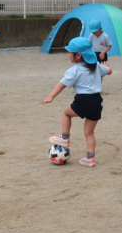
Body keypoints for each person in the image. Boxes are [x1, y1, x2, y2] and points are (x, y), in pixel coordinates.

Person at [43, 37, 111, 167]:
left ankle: (64, 137)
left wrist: (51, 96)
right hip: (97, 102)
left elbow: (62, 84)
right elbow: (109, 72)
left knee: (66, 114)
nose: (68, 54)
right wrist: (106, 67)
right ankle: (90, 158)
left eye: (70, 52)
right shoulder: (96, 66)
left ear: (78, 55)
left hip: (83, 100)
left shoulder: (74, 70)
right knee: (89, 133)